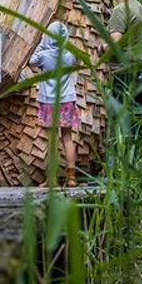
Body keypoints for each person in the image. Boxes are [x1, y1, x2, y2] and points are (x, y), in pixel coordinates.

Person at [28, 20, 79, 187]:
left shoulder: (43, 56)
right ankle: (71, 177)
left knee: (52, 140)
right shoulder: (70, 56)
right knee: (67, 137)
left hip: (48, 102)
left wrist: (42, 43)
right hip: (67, 101)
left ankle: (52, 179)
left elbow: (31, 61)